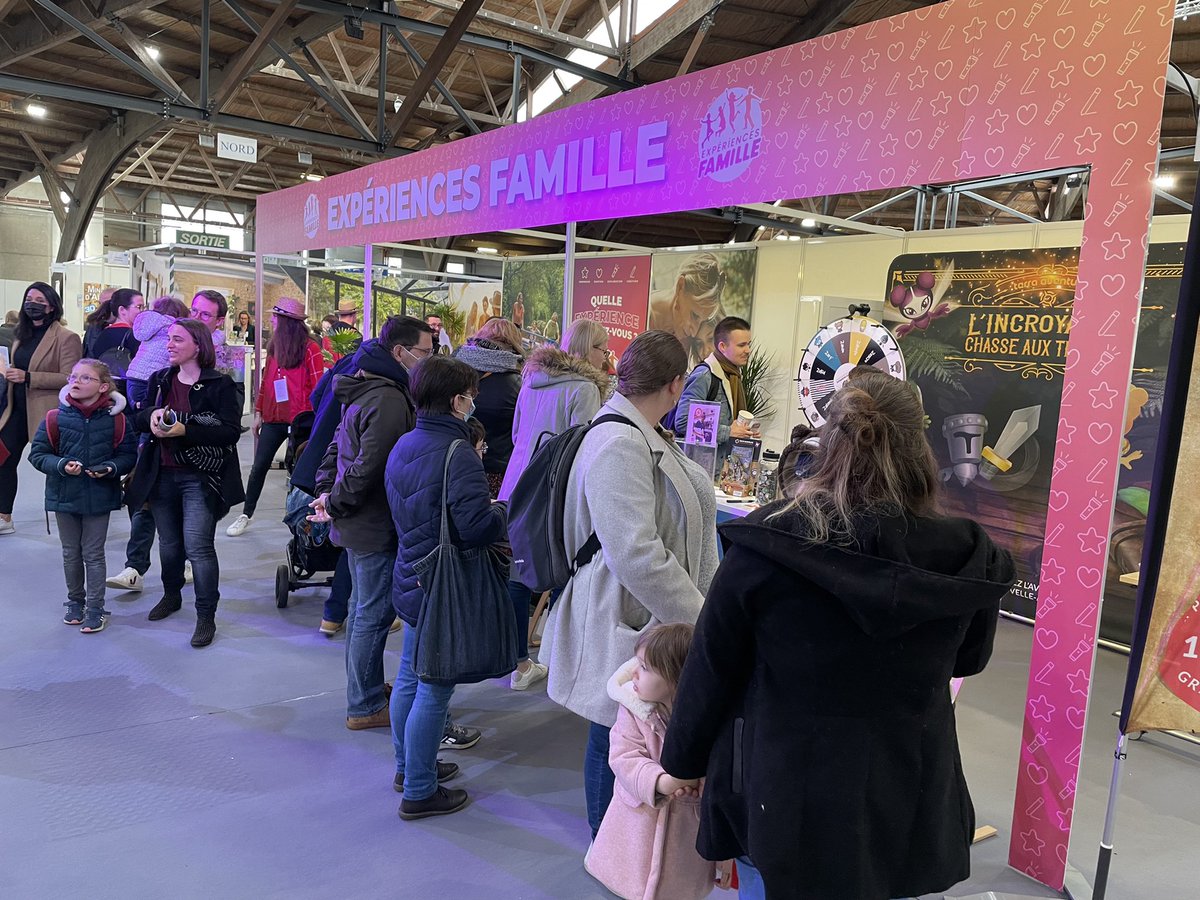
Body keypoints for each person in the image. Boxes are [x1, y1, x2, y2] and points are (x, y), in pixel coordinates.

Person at [660, 371, 1017, 900]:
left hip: (785, 786)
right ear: (919, 449)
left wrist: (682, 763)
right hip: (906, 781)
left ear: (826, 444)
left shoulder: (767, 544)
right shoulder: (968, 554)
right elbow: (969, 659)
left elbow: (712, 668)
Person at [541, 330, 719, 839]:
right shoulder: (620, 439)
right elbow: (634, 553)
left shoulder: (637, 429)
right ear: (676, 384)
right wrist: (700, 616)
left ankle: (618, 845)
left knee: (622, 731)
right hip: (623, 612)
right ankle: (608, 846)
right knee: (613, 733)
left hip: (639, 611)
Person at [384, 354, 508, 820]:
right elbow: (476, 527)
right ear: (458, 401)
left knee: (411, 680)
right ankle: (418, 790)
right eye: (471, 395)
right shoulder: (459, 454)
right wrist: (503, 510)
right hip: (443, 585)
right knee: (434, 687)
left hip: (411, 573)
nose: (474, 402)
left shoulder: (404, 444)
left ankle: (407, 767)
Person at [311, 316, 429, 730]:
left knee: (365, 611)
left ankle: (366, 692)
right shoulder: (389, 398)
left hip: (359, 519)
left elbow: (337, 449)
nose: (427, 360)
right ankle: (363, 704)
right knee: (371, 614)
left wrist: (329, 496)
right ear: (401, 352)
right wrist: (336, 500)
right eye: (425, 352)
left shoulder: (368, 386)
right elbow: (370, 465)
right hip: (374, 521)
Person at [499, 318, 611, 692]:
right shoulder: (585, 390)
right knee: (565, 572)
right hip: (555, 495)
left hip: (518, 484)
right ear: (585, 350)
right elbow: (583, 452)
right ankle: (560, 661)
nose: (606, 356)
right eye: (602, 348)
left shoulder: (530, 380)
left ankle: (518, 662)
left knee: (518, 574)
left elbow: (517, 434)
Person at [585, 623, 732, 900]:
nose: (634, 673)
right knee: (629, 889)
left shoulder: (709, 721)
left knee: (679, 891)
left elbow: (721, 775)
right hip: (635, 832)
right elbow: (623, 757)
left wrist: (723, 852)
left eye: (646, 667)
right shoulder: (633, 709)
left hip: (687, 839)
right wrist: (664, 782)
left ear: (678, 677)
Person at [125, 319, 244, 648]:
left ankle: (206, 616)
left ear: (198, 345)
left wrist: (185, 430)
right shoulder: (160, 379)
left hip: (199, 478)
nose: (170, 344)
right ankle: (171, 595)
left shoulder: (220, 384)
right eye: (169, 339)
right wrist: (148, 418)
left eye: (178, 339)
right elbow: (138, 419)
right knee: (169, 544)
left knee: (199, 547)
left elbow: (229, 430)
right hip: (161, 474)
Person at [29, 359, 137, 633]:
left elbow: (127, 456)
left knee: (93, 553)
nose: (75, 381)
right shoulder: (55, 417)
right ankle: (75, 602)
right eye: (74, 376)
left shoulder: (118, 420)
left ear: (103, 387)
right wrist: (61, 465)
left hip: (99, 495)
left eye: (85, 378)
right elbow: (38, 454)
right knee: (70, 553)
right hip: (64, 494)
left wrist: (111, 468)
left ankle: (96, 607)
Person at [105, 295, 192, 592]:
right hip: (154, 448)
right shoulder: (159, 372)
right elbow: (144, 417)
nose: (171, 343)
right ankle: (135, 568)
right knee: (144, 499)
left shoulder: (204, 378)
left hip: (185, 462)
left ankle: (186, 562)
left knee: (183, 510)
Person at [227, 298, 325, 537]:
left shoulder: (310, 349)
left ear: (287, 322)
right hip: (274, 416)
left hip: (301, 419)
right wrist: (259, 412)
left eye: (276, 317)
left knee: (298, 470)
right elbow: (266, 382)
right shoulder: (274, 347)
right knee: (259, 466)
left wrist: (313, 419)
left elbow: (318, 386)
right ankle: (246, 514)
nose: (272, 320)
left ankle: (300, 520)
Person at [0, 282, 83, 535]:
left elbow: (70, 377)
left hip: (46, 410)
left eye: (39, 300)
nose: (32, 303)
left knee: (52, 466)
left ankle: (70, 519)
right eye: (29, 298)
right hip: (15, 407)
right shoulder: (20, 334)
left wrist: (28, 377)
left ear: (51, 306)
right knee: (3, 458)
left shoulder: (67, 337)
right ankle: (4, 516)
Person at [672, 316, 756, 469]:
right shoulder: (705, 376)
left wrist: (745, 433)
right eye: (741, 345)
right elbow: (684, 422)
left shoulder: (732, 376)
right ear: (722, 346)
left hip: (720, 470)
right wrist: (728, 432)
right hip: (699, 470)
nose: (748, 350)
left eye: (748, 344)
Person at [452, 317, 523, 498]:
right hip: (497, 468)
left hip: (453, 460)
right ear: (513, 345)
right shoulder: (516, 383)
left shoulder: (454, 370)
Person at [648, 252, 726, 368]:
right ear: (680, 286)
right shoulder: (646, 313)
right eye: (694, 315)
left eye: (702, 320)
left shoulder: (691, 335)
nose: (694, 332)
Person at [85, 289, 145, 392]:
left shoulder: (102, 334)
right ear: (122, 310)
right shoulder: (134, 336)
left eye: (144, 307)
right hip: (125, 391)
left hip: (103, 389)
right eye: (139, 307)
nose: (143, 311)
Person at [81, 288, 116, 358]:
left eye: (106, 304)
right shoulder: (94, 326)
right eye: (100, 303)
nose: (102, 308)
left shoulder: (125, 329)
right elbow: (87, 351)